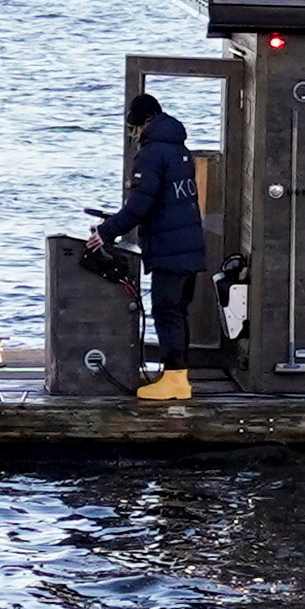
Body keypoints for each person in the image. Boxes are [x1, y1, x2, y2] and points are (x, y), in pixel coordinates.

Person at [98, 86, 207, 402]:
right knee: (178, 312)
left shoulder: (151, 153)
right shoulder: (178, 149)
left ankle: (174, 382)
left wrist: (105, 233)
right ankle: (178, 377)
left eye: (133, 128)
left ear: (142, 123)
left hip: (170, 250)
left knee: (166, 311)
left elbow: (140, 205)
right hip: (189, 245)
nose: (133, 135)